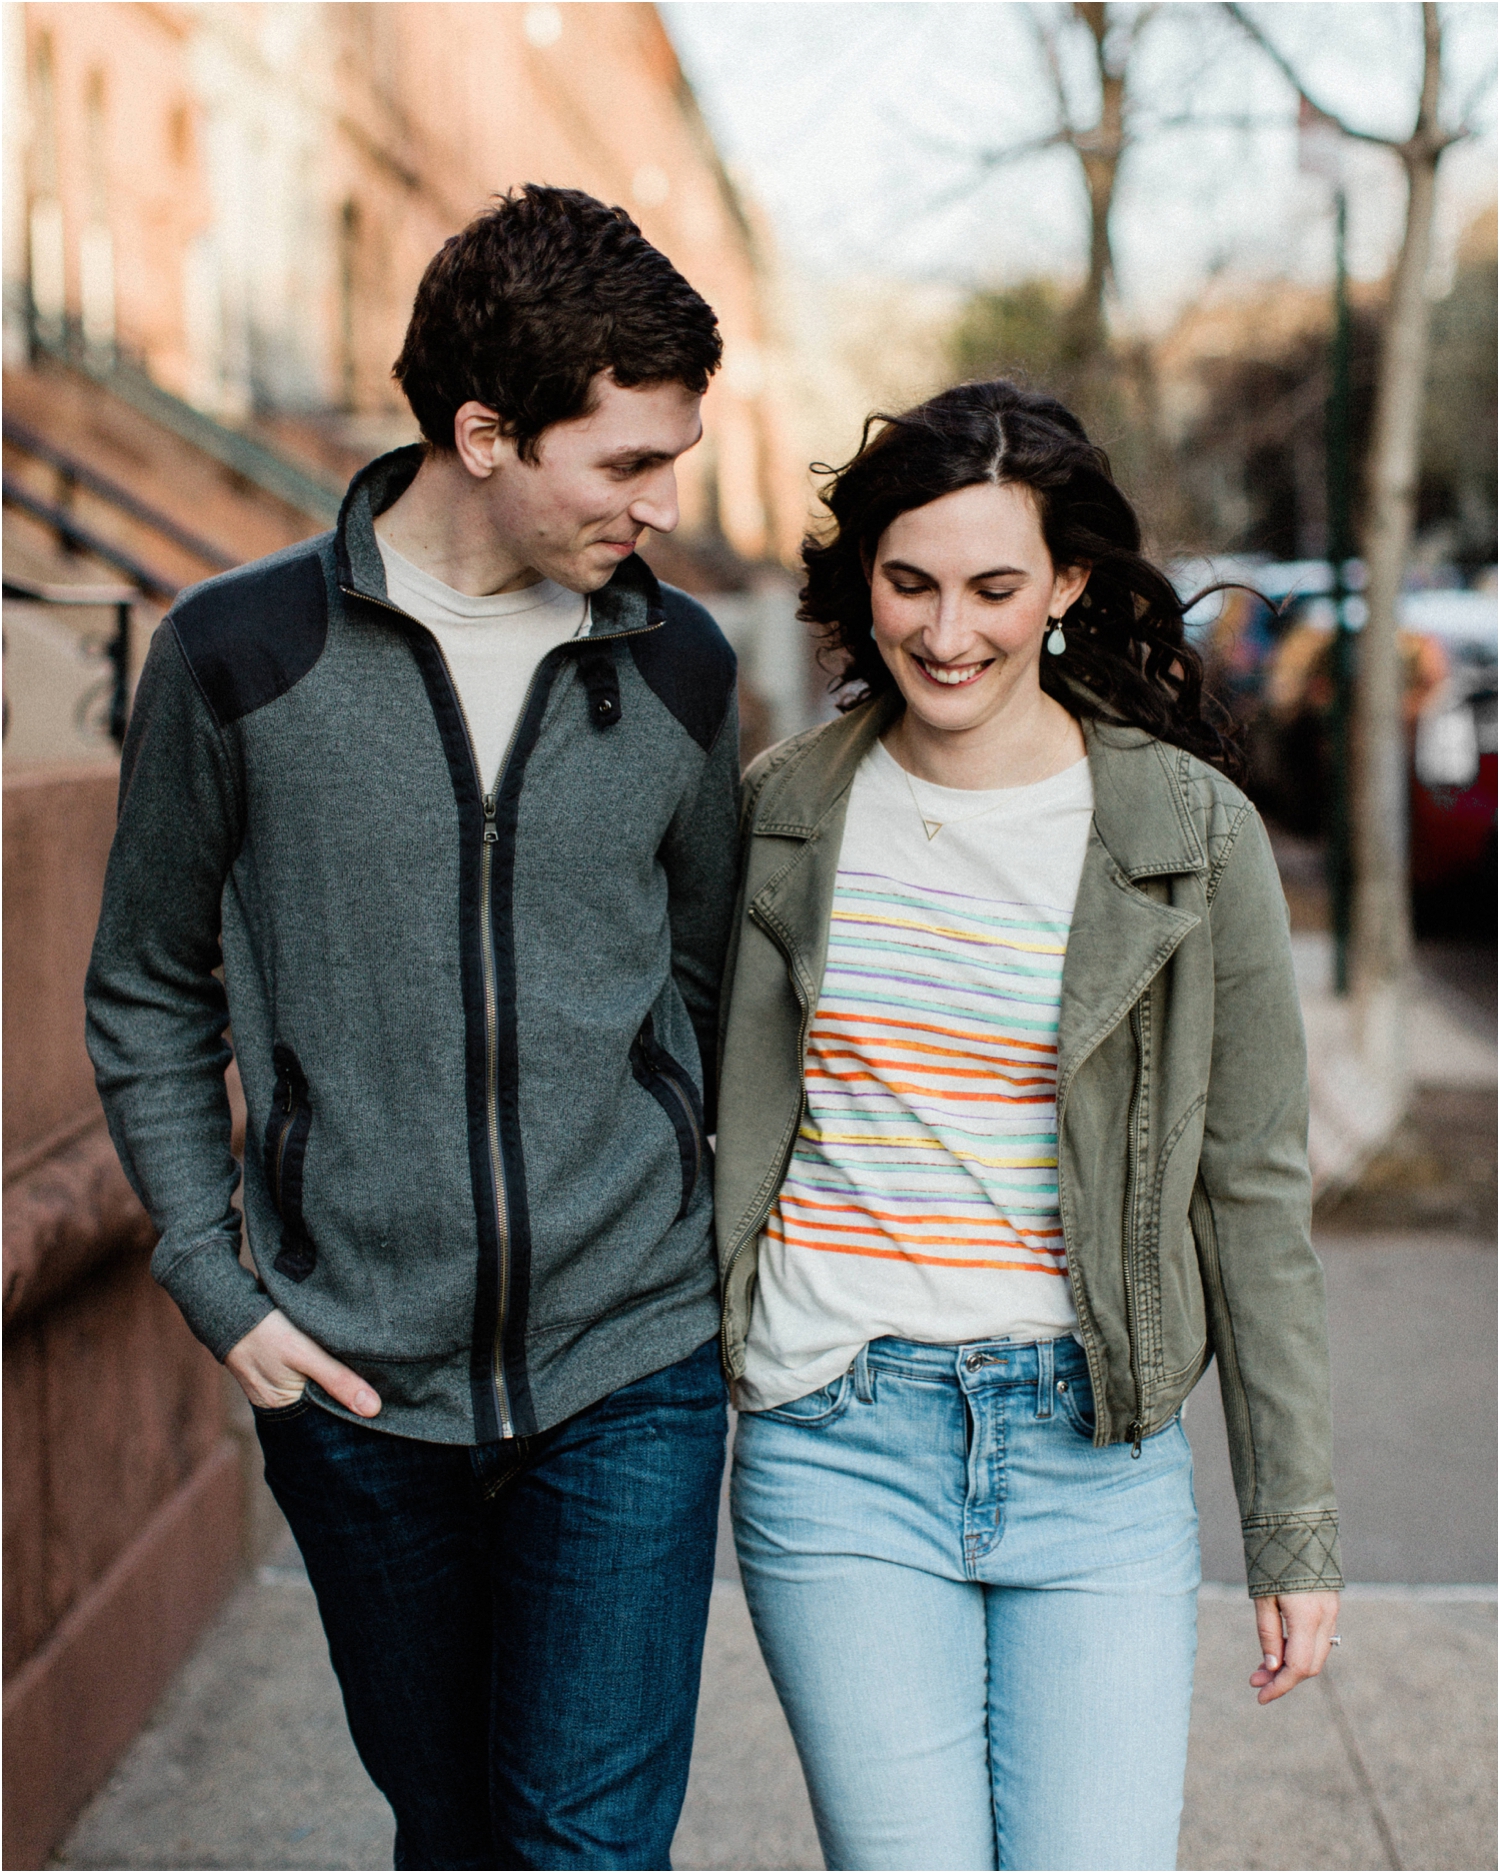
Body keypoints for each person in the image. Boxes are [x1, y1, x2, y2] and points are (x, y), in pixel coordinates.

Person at [85, 186, 740, 1872]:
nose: (660, 506)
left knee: (584, 1842)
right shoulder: (241, 652)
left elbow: (712, 974)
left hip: (629, 1354)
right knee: (451, 1829)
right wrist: (217, 1284)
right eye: (625, 464)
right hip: (354, 1374)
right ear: (482, 431)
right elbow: (153, 979)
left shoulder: (674, 663)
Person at [713, 380, 1343, 1872]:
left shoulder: (1188, 833)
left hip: (1093, 1447)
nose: (946, 632)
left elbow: (1252, 1190)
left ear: (1065, 582)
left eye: (995, 586)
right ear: (862, 583)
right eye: (909, 583)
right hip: (835, 1436)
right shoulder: (782, 815)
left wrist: (1292, 1523)